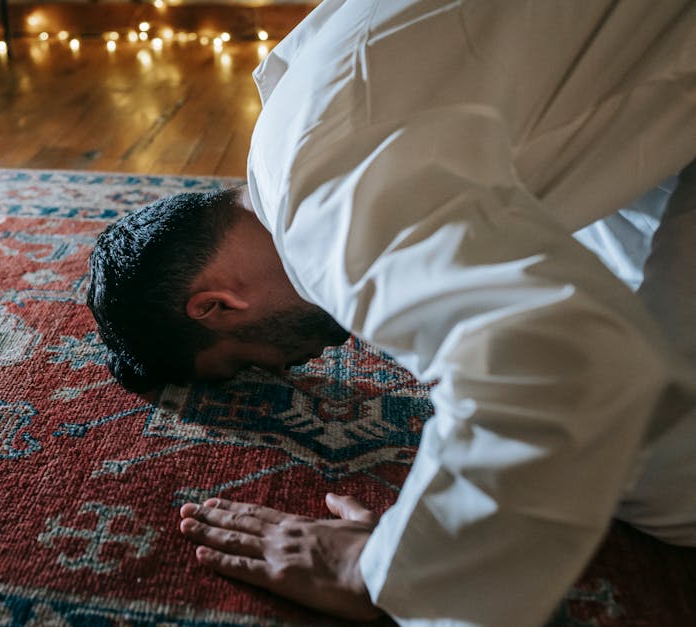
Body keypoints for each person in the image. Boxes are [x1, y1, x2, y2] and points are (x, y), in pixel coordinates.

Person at [86, 0, 696, 624]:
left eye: (247, 361)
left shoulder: (322, 212)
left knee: (664, 487)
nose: (292, 366)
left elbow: (554, 360)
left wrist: (378, 570)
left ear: (216, 306)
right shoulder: (286, 119)